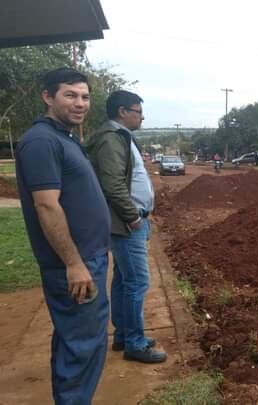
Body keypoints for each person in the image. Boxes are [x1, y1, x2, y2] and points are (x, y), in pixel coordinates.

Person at [15, 67, 111, 404]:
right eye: (70, 95)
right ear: (47, 97)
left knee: (76, 340)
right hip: (75, 265)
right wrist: (74, 263)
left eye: (85, 96)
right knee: (83, 346)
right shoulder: (41, 140)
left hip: (88, 258)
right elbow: (46, 206)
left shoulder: (65, 137)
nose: (80, 103)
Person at [85, 90, 167, 364]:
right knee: (137, 282)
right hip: (127, 223)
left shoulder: (121, 137)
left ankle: (123, 335)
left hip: (129, 221)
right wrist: (133, 217)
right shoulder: (111, 139)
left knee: (123, 279)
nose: (141, 116)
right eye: (138, 111)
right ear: (122, 112)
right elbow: (113, 184)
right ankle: (135, 342)